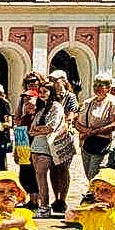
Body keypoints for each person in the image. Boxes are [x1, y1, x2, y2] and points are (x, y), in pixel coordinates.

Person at [73, 73, 115, 201]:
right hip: (87, 142)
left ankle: (94, 198)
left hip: (103, 143)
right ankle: (93, 197)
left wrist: (93, 132)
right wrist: (86, 131)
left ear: (108, 88)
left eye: (101, 85)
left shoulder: (113, 102)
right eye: (95, 85)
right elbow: (77, 122)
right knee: (88, 172)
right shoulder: (88, 102)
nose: (97, 88)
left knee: (95, 173)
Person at [29, 81, 72, 218]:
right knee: (37, 177)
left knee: (42, 176)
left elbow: (51, 127)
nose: (42, 94)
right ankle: (44, 205)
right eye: (40, 92)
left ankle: (45, 206)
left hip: (47, 146)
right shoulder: (41, 109)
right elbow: (31, 130)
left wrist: (38, 130)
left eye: (45, 92)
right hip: (36, 145)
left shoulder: (56, 107)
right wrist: (38, 130)